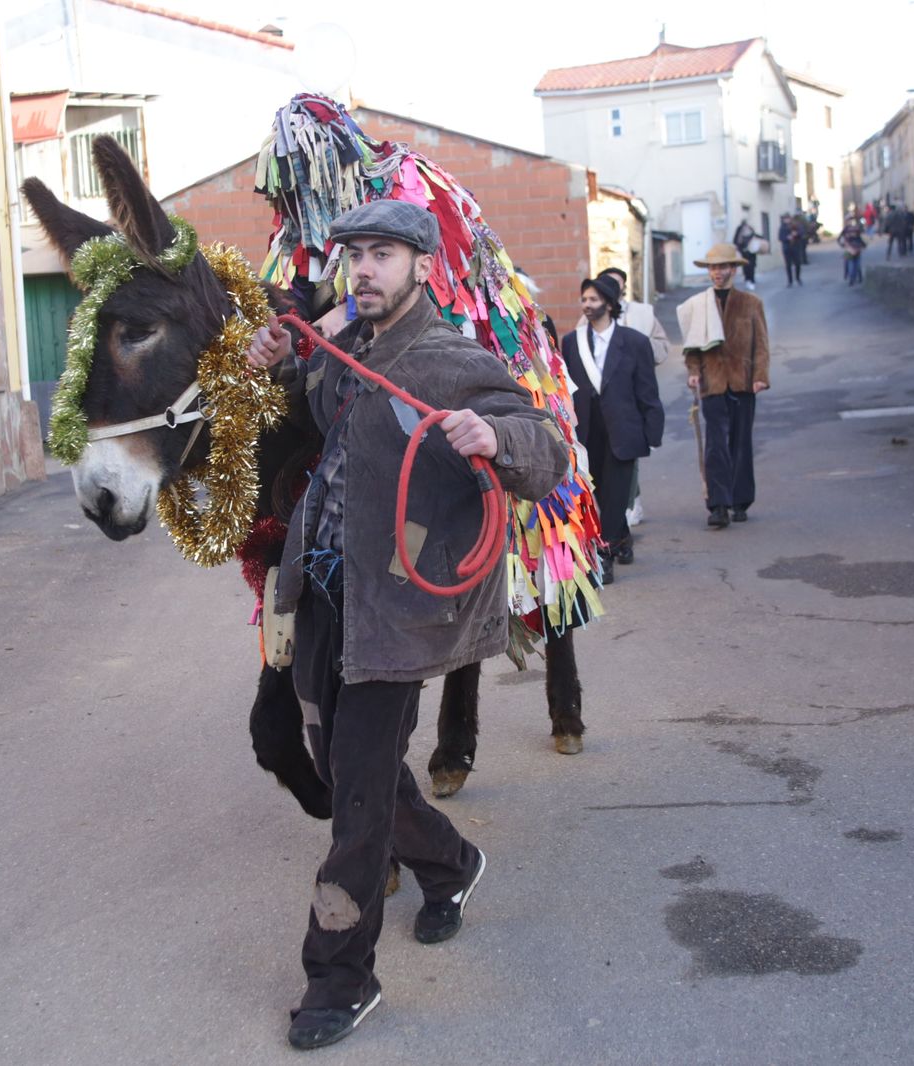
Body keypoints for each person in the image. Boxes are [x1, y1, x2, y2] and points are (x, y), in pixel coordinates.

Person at [246, 200, 569, 1050]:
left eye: (383, 254)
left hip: (397, 609)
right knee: (341, 763)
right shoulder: (342, 347)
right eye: (355, 255)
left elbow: (547, 450)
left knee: (355, 793)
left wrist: (493, 434)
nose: (363, 270)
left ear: (423, 265)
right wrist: (280, 362)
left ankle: (339, 978)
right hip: (321, 591)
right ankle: (453, 863)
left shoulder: (451, 359)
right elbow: (310, 419)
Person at [560, 275, 663, 584]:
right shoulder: (571, 342)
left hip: (623, 430)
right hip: (588, 433)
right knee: (597, 495)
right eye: (584, 300)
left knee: (617, 496)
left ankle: (604, 557)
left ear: (609, 303)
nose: (587, 305)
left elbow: (647, 391)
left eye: (592, 300)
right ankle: (620, 539)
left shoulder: (634, 342)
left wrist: (651, 432)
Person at [678, 243, 770, 529]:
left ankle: (740, 500)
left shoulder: (751, 303)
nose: (717, 273)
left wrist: (760, 376)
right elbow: (692, 346)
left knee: (740, 441)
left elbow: (761, 344)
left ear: (734, 269)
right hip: (713, 381)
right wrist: (693, 371)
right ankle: (718, 504)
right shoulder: (698, 304)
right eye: (713, 268)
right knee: (716, 445)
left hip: (743, 381)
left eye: (722, 267)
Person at [595, 266, 669, 528]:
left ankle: (630, 501)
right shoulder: (590, 317)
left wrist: (636, 351)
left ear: (624, 288)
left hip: (632, 398)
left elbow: (662, 345)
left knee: (627, 453)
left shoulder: (642, 313)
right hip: (602, 403)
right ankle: (617, 508)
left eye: (617, 284)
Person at [778, 214, 807, 286]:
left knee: (798, 263)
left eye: (787, 218)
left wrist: (796, 234)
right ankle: (790, 281)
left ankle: (798, 278)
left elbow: (802, 232)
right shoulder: (782, 227)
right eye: (785, 219)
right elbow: (780, 237)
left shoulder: (796, 225)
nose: (786, 220)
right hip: (787, 248)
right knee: (788, 265)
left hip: (795, 247)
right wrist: (787, 238)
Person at [732, 218, 760, 290]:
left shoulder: (751, 231)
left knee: (752, 266)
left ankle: (752, 281)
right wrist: (738, 249)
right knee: (746, 267)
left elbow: (757, 237)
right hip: (744, 252)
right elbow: (735, 241)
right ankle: (748, 280)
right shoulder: (739, 231)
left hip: (751, 253)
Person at [838, 221, 866, 285]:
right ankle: (856, 277)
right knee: (855, 264)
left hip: (851, 250)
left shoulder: (847, 232)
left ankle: (852, 278)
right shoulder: (854, 231)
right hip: (854, 250)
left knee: (851, 264)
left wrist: (843, 245)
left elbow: (839, 240)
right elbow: (862, 241)